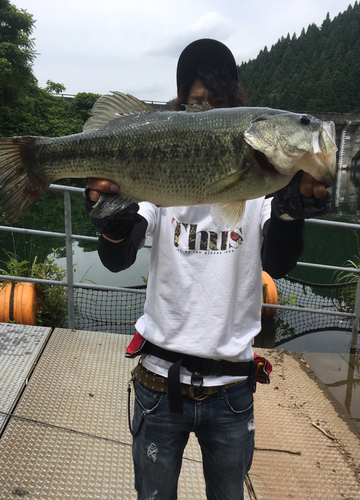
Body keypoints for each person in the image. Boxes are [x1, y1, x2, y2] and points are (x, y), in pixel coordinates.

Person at [84, 39, 331, 500]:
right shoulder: (157, 175)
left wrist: (291, 212)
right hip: (158, 383)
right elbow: (117, 256)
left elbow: (278, 261)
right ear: (180, 106)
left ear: (235, 107)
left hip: (232, 394)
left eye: (216, 104)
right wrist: (111, 221)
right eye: (196, 102)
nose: (205, 110)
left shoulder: (261, 185)